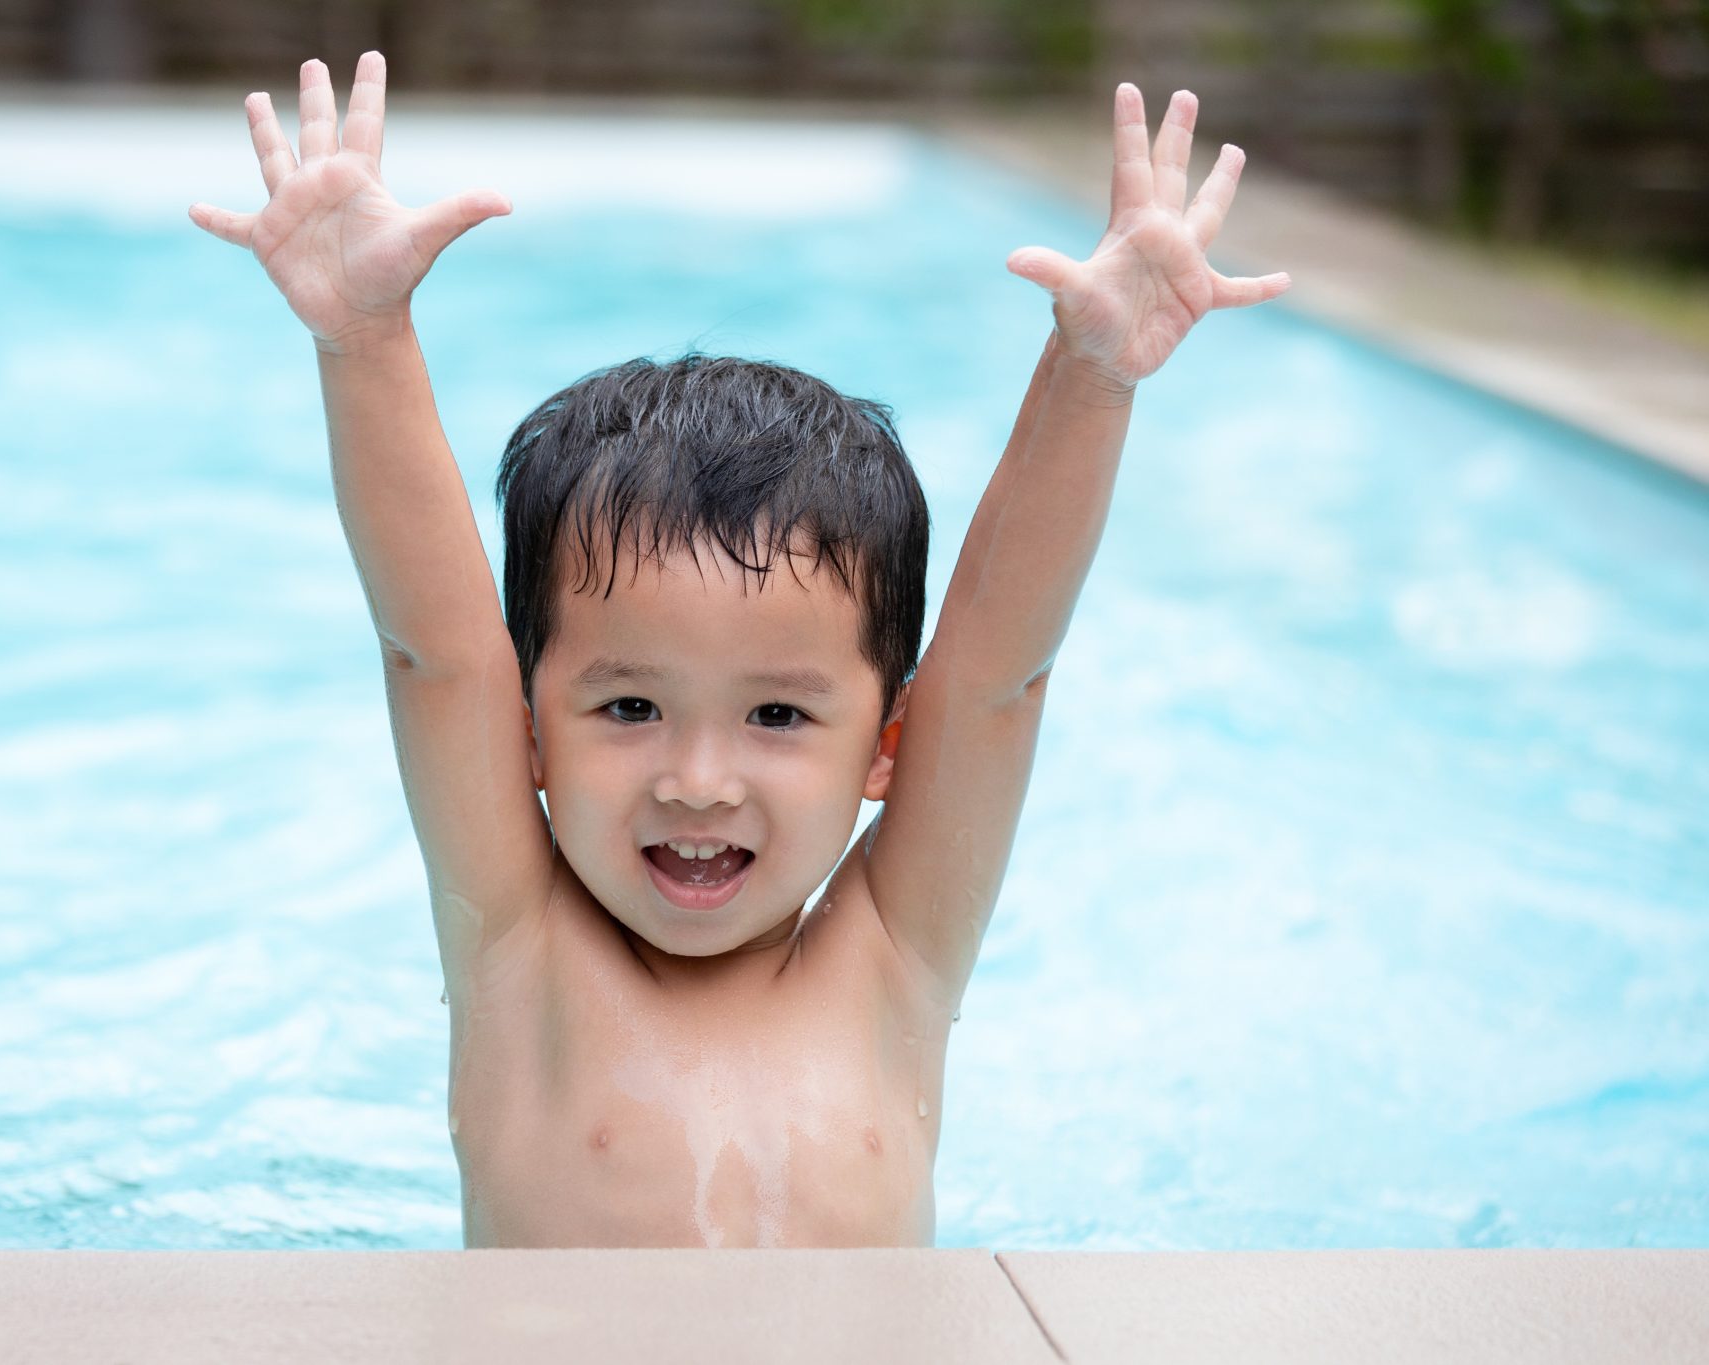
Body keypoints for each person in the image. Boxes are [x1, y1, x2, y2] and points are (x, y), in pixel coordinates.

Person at [189, 52, 1290, 1247]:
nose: (696, 780)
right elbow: (437, 654)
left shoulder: (892, 964)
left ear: (885, 745)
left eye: (775, 715)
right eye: (628, 709)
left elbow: (996, 679)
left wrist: (1092, 375)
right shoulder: (521, 957)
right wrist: (362, 339)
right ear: (527, 732)